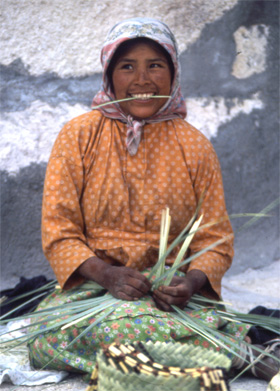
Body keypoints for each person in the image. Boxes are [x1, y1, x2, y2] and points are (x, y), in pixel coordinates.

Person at [27, 18, 278, 382]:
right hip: (96, 293)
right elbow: (59, 230)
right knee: (45, 340)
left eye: (155, 65)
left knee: (123, 333)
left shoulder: (194, 146)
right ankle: (234, 353)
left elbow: (215, 239)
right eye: (127, 66)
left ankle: (185, 357)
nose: (142, 80)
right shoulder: (78, 137)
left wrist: (190, 284)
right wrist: (107, 274)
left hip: (172, 300)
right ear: (109, 74)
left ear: (173, 72)